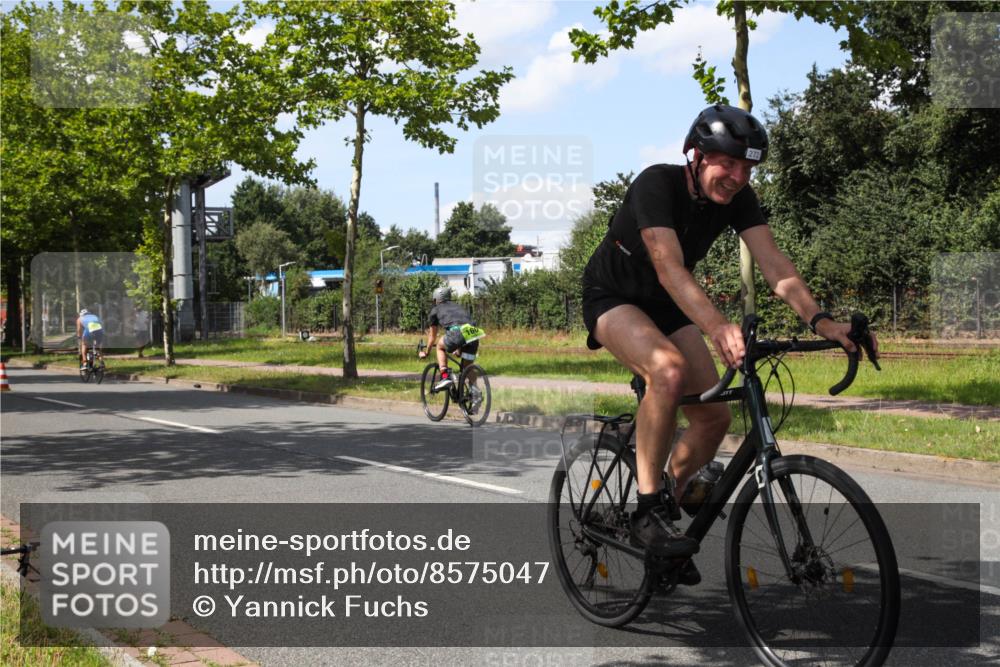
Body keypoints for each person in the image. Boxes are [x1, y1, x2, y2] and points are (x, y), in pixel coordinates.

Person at [581, 104, 876, 579]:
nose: (738, 176)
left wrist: (822, 321)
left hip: (667, 304)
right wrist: (718, 327)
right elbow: (669, 267)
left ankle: (666, 517)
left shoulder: (740, 198)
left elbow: (774, 264)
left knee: (713, 416)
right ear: (696, 156)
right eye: (729, 163)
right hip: (613, 297)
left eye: (748, 167)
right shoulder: (656, 184)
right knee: (668, 370)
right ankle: (646, 510)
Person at [418, 286, 483, 391]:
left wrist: (427, 352)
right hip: (473, 333)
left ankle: (445, 376)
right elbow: (463, 326)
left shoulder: (435, 310)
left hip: (457, 333)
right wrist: (459, 348)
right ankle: (475, 393)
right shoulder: (458, 306)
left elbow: (432, 336)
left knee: (440, 346)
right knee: (467, 367)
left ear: (436, 299)